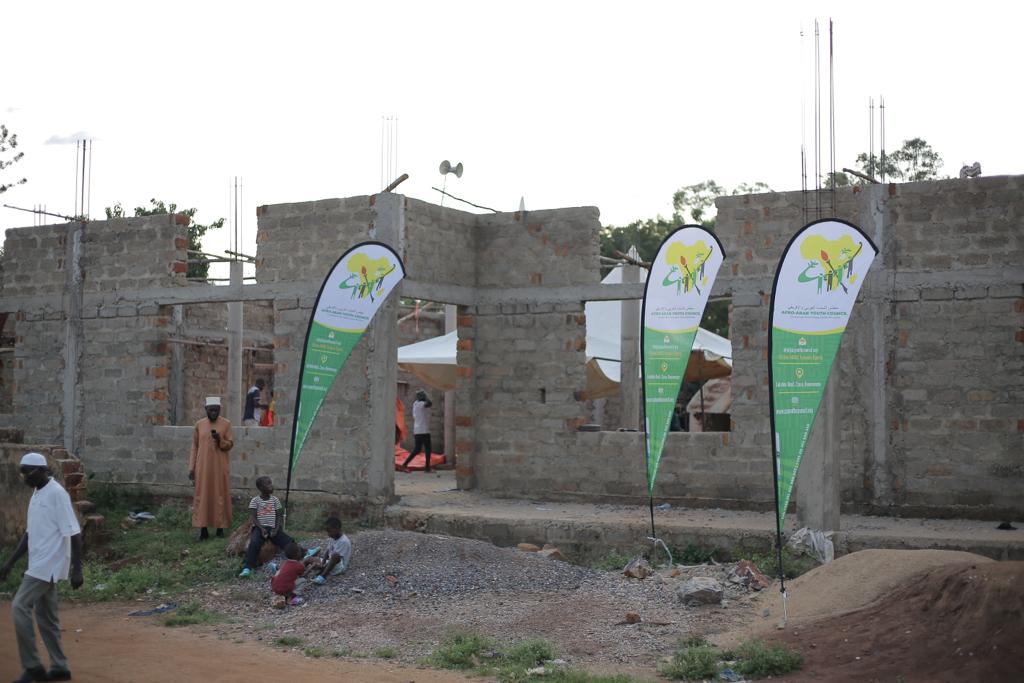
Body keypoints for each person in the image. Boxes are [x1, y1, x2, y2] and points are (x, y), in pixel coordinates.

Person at [0, 452, 83, 683]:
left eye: (27, 471)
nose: (24, 476)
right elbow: (29, 534)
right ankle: (60, 667)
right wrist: (10, 562)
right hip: (38, 562)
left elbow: (74, 532)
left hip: (47, 564)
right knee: (47, 619)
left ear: (43, 470)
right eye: (22, 472)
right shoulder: (37, 493)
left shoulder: (57, 494)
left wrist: (77, 569)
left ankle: (33, 666)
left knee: (19, 606)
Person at [189, 396, 234, 541]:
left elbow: (229, 445)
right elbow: (194, 446)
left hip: (220, 467)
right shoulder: (199, 424)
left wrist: (220, 439)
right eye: (211, 410)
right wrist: (191, 467)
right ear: (206, 409)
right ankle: (203, 529)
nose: (213, 413)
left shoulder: (226, 424)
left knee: (220, 495)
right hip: (202, 468)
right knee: (202, 496)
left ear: (220, 409)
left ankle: (220, 528)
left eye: (216, 410)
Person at [239, 476, 294, 578]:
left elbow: (278, 516)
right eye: (268, 484)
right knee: (254, 543)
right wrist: (261, 528)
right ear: (260, 487)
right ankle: (248, 567)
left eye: (271, 483)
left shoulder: (275, 500)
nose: (271, 486)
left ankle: (304, 552)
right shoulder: (255, 500)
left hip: (273, 528)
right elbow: (254, 518)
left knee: (287, 540)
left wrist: (276, 529)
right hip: (260, 528)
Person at [307, 517, 352, 585]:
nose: (328, 534)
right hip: (330, 562)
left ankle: (322, 577)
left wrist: (322, 567)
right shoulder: (333, 537)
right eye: (327, 531)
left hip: (339, 567)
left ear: (337, 529)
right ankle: (298, 574)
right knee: (309, 558)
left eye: (329, 531)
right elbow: (327, 551)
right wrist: (322, 563)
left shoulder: (344, 541)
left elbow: (337, 559)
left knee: (335, 555)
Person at [401, 389, 433, 472]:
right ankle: (427, 468)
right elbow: (430, 403)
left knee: (417, 449)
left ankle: (405, 464)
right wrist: (426, 396)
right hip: (424, 430)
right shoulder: (422, 404)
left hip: (417, 430)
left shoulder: (415, 403)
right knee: (428, 448)